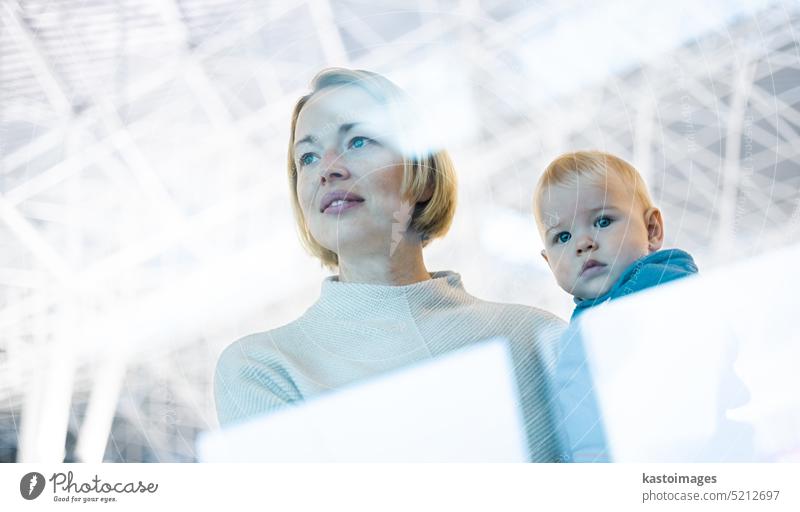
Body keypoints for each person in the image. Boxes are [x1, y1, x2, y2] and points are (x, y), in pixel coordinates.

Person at [214, 67, 567, 461]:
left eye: (358, 140)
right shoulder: (263, 369)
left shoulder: (537, 337)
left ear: (424, 174)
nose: (327, 169)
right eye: (308, 157)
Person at [532, 150, 699, 461]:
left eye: (602, 220)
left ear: (652, 230)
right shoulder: (584, 322)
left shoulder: (662, 283)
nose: (583, 243)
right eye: (563, 236)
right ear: (548, 262)